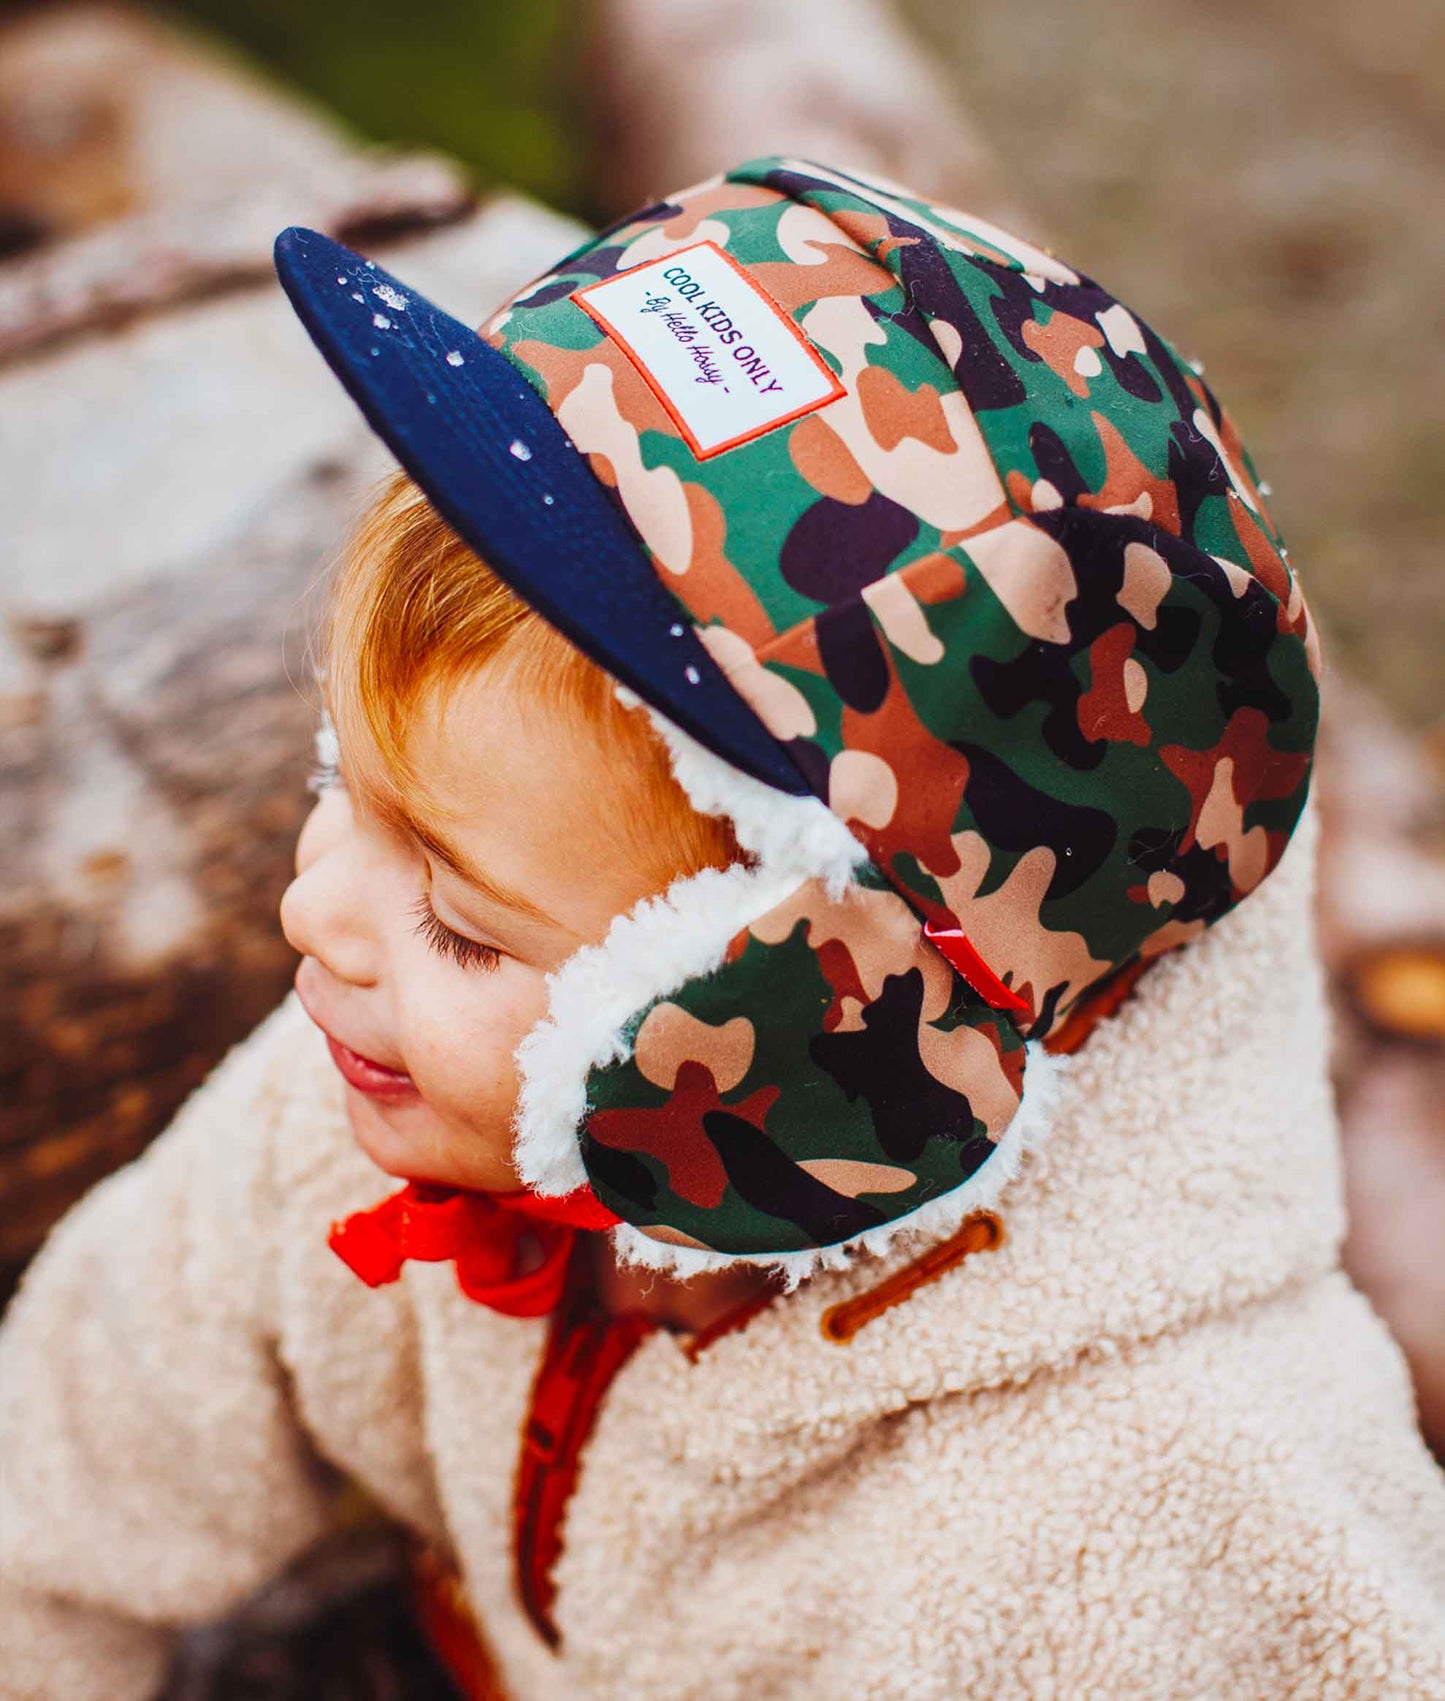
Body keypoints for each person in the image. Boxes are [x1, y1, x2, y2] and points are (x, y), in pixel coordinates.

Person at [3, 157, 1443, 1701]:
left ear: (820, 1038)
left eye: (464, 925)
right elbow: (89, 1437)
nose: (316, 915)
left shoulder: (1149, 1535)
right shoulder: (379, 1072)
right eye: (343, 790)